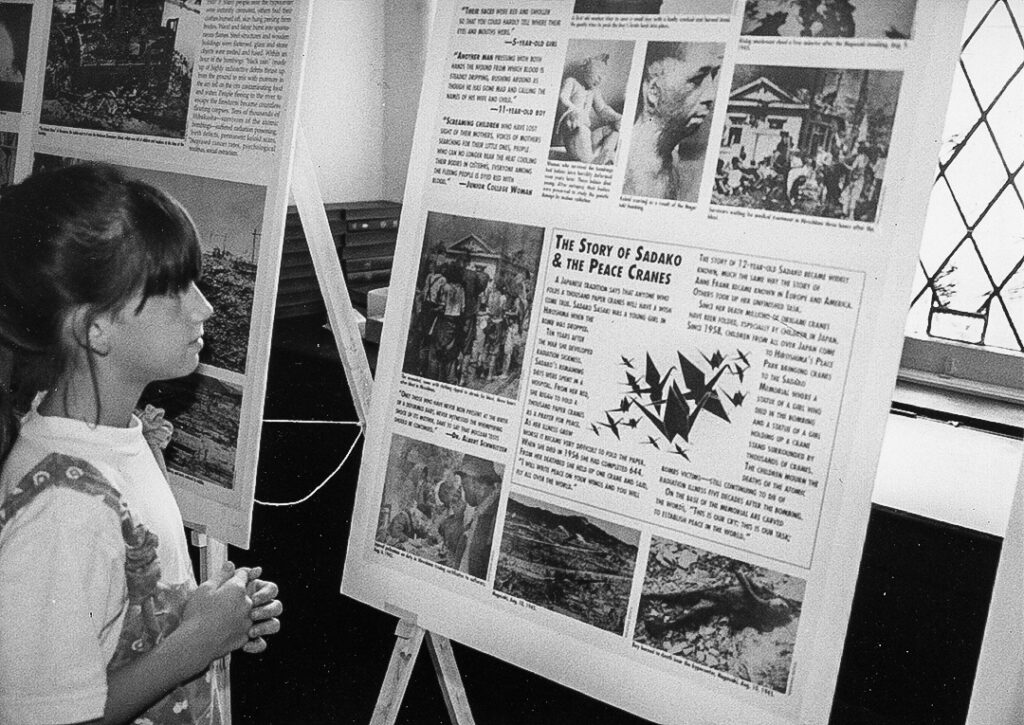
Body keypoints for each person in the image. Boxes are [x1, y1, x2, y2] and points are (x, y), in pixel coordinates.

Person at [0, 163, 282, 725]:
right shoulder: (63, 509)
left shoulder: (114, 438)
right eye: (174, 290)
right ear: (94, 327)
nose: (203, 307)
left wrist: (198, 616)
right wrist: (194, 643)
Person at [555, 53, 622, 165]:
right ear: (587, 69)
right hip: (573, 133)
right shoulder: (572, 82)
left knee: (613, 130)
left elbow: (602, 110)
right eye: (598, 74)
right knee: (582, 129)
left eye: (603, 76)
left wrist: (617, 117)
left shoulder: (594, 91)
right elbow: (563, 97)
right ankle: (591, 160)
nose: (600, 79)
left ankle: (606, 154)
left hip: (587, 138)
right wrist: (574, 110)